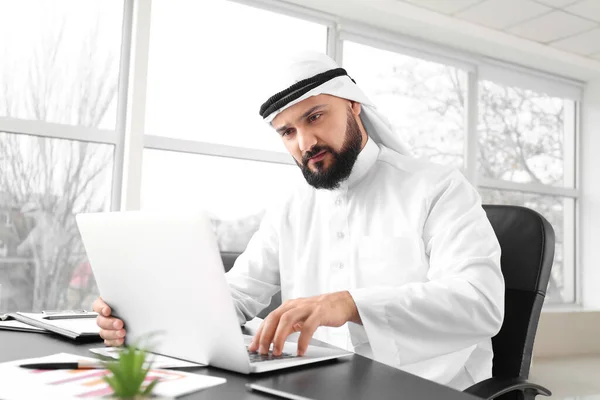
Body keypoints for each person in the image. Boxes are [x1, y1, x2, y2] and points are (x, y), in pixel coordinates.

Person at [92, 52, 504, 390]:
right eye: (287, 132)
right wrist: (143, 319)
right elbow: (237, 294)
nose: (305, 143)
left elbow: (479, 304)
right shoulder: (292, 206)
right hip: (319, 382)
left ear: (354, 106)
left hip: (429, 386)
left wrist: (348, 304)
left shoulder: (437, 188)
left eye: (315, 117)